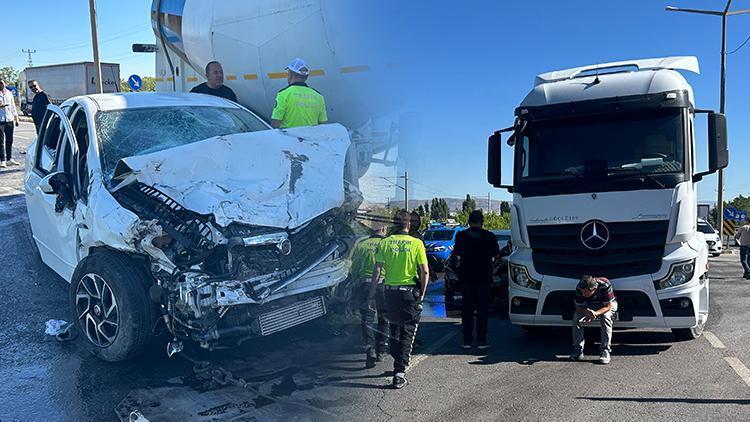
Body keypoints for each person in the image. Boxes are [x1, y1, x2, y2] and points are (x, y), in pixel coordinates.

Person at [370, 210, 429, 389]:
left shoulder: (385, 243)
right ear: (409, 225)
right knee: (407, 332)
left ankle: (396, 359)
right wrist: (422, 294)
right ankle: (399, 372)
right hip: (409, 293)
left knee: (393, 329)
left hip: (389, 293)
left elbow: (377, 271)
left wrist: (372, 294)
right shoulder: (417, 243)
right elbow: (424, 271)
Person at [451, 210, 500, 349]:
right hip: (484, 277)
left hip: (467, 277)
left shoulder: (461, 236)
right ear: (482, 221)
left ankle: (467, 340)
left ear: (469, 221)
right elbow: (496, 256)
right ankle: (482, 340)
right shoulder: (489, 236)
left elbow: (457, 253)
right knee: (482, 310)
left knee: (467, 310)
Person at [350, 222, 389, 368]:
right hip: (384, 284)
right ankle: (381, 351)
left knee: (367, 319)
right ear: (384, 228)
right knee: (384, 318)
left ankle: (370, 349)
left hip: (365, 285)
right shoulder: (387, 244)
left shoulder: (361, 244)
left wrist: (355, 284)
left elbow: (354, 267)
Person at [571, 275, 618, 364]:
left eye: (585, 292)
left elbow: (608, 306)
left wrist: (595, 313)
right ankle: (577, 349)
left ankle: (605, 350)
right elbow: (577, 307)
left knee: (606, 317)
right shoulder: (579, 287)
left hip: (606, 304)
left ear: (594, 288)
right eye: (581, 292)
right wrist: (586, 312)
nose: (583, 294)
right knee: (576, 317)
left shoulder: (604, 284)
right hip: (588, 305)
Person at [271, 58, 327, 129]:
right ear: (306, 77)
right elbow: (323, 124)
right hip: (311, 139)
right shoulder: (318, 96)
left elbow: (275, 123)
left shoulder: (283, 94)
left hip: (290, 139)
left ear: (290, 74)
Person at [0, 79, 20, 167]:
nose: (1, 85)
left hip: (9, 119)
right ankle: (2, 160)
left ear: (5, 84)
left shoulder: (9, 93)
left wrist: (16, 118)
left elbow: (13, 106)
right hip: (0, 120)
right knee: (0, 141)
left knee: (9, 140)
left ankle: (9, 159)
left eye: (2, 83)